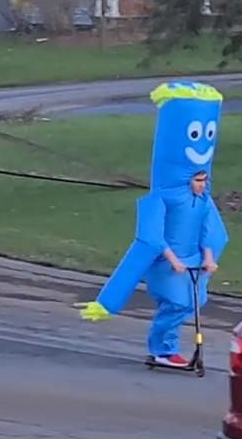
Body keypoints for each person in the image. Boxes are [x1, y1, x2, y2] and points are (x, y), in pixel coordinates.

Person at [78, 80, 228, 366]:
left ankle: (165, 347)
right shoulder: (161, 198)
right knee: (176, 303)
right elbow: (150, 238)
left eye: (203, 179)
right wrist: (171, 259)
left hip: (193, 262)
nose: (201, 184)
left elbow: (212, 231)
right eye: (197, 179)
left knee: (192, 303)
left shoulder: (203, 200)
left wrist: (208, 257)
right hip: (167, 263)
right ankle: (162, 349)